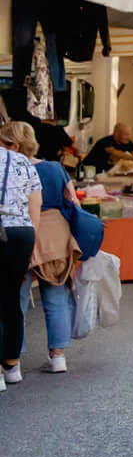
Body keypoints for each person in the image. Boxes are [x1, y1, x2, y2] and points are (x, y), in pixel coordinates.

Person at [4, 122, 101, 375]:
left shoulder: (8, 168)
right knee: (56, 294)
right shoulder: (53, 168)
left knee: (17, 298)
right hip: (55, 235)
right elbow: (73, 202)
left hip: (19, 231)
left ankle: (13, 360)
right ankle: (58, 357)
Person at [0, 122, 47, 388]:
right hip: (22, 233)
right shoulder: (25, 162)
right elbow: (35, 203)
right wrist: (32, 243)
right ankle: (11, 365)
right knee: (10, 299)